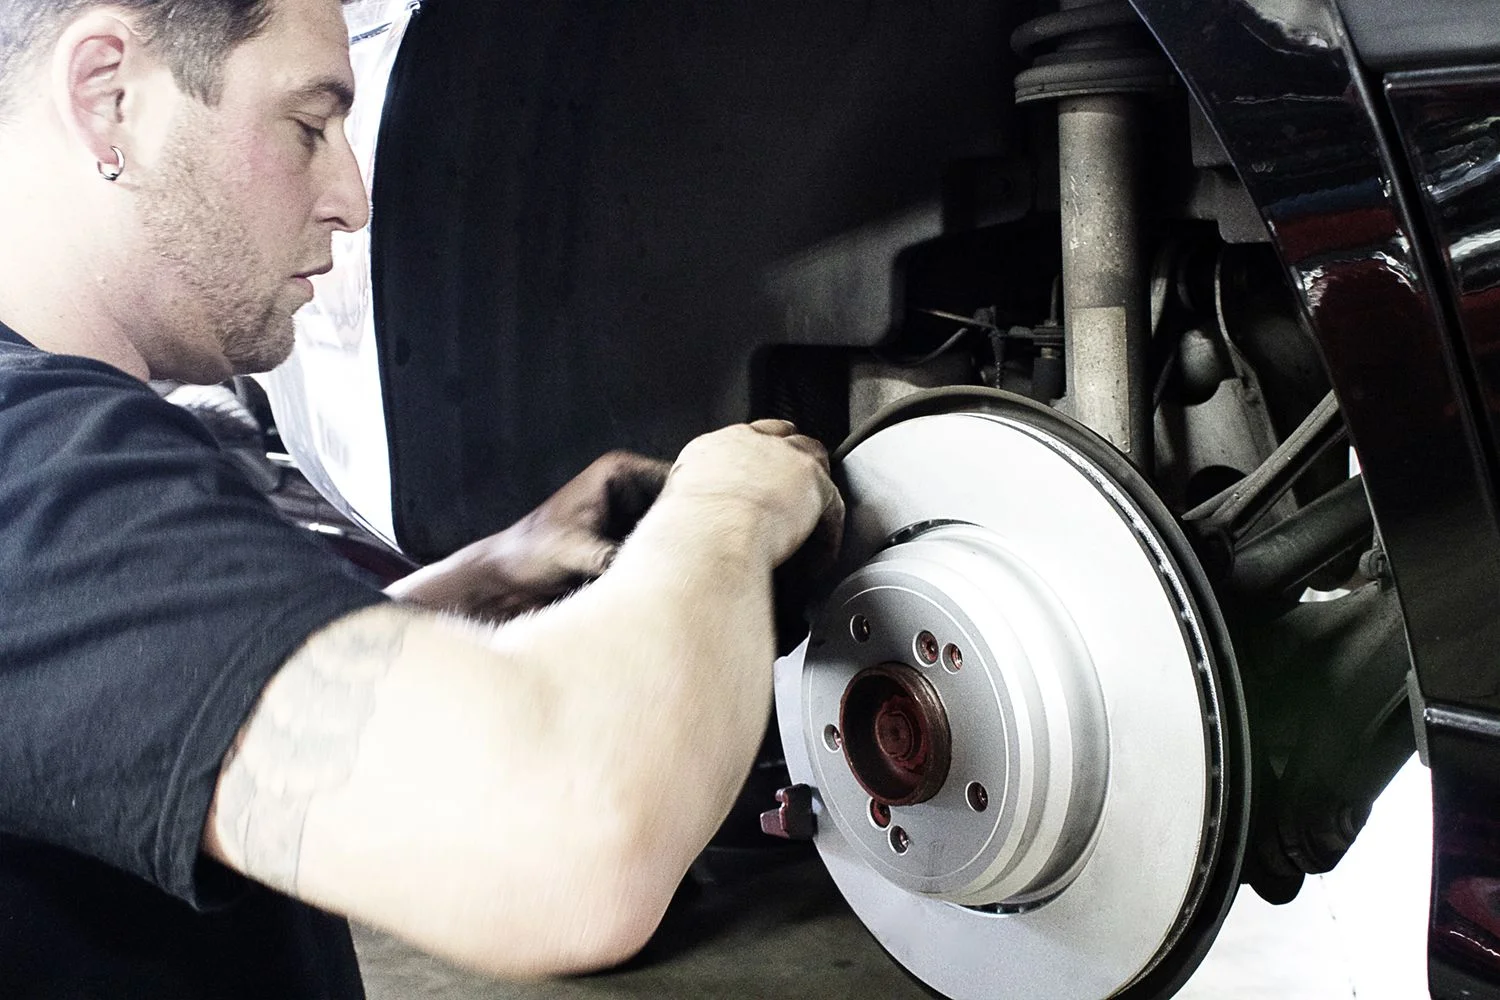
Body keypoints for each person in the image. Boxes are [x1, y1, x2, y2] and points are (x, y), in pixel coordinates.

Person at [0, 1, 845, 997]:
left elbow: (135, 712)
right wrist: (732, 501)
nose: (352, 198)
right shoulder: (35, 460)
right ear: (110, 99)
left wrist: (476, 585)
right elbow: (560, 848)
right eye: (309, 127)